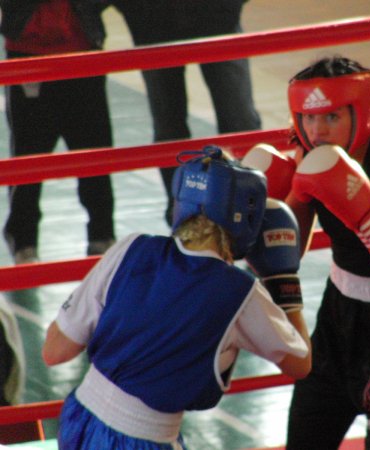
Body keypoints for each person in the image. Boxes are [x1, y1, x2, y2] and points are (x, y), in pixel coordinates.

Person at [41, 146, 311, 449]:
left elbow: (54, 351)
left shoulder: (132, 248)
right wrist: (282, 279)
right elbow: (301, 364)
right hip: (145, 439)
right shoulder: (240, 293)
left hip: (79, 421)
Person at [244, 56, 370, 450]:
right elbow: (290, 253)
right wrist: (276, 209)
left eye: (331, 117)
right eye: (308, 117)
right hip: (338, 313)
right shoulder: (309, 155)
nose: (317, 129)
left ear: (360, 113)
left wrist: (367, 218)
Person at [110, 0, 262, 225]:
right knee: (169, 128)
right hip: (153, 23)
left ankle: (248, 206)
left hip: (218, 19)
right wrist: (136, 12)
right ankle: (180, 212)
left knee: (240, 122)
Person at [0, 0, 117, 264]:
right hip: (29, 54)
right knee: (29, 156)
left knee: (95, 152)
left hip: (83, 53)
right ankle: (24, 240)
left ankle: (102, 235)